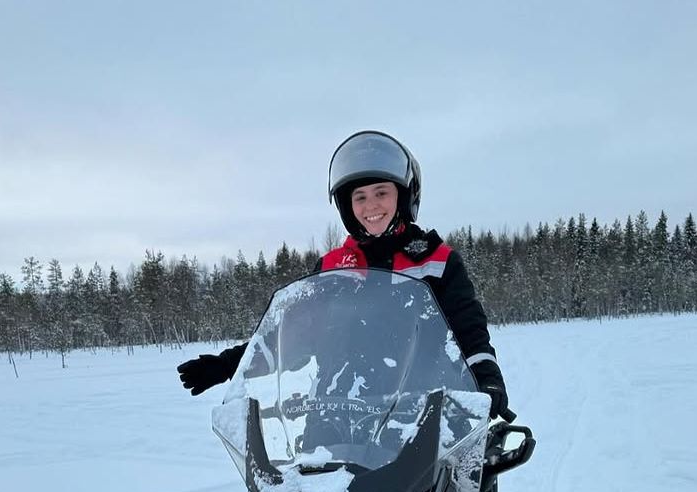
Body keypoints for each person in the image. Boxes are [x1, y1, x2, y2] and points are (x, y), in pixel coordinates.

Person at [177, 130, 509, 420]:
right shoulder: (334, 268)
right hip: (335, 411)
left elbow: (469, 332)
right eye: (359, 197)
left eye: (381, 192)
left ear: (403, 196)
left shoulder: (437, 261)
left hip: (418, 412)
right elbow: (293, 334)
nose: (371, 206)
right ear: (347, 207)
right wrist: (230, 365)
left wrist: (486, 378)